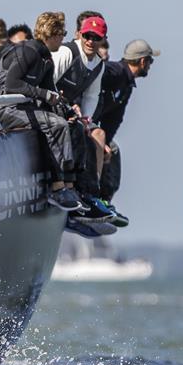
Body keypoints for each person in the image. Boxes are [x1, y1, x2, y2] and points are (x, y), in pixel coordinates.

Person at [0, 11, 85, 212]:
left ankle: (70, 186)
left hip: (22, 107)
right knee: (56, 124)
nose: (63, 38)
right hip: (3, 108)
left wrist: (66, 109)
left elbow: (50, 91)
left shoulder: (46, 59)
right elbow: (12, 84)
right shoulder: (29, 51)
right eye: (62, 33)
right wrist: (44, 95)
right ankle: (57, 188)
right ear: (52, 34)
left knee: (69, 123)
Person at [51, 15, 118, 226]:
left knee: (98, 134)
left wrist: (89, 122)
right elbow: (47, 82)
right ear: (80, 34)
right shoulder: (67, 53)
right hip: (50, 106)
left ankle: (92, 195)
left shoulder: (98, 65)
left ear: (102, 39)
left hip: (70, 111)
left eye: (95, 38)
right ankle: (71, 189)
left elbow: (91, 96)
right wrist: (68, 109)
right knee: (76, 130)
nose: (90, 41)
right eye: (87, 36)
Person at [94, 39, 160, 226]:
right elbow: (92, 76)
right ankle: (92, 199)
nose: (150, 66)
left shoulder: (127, 84)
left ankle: (104, 201)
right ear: (142, 61)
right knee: (109, 149)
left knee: (111, 149)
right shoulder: (115, 71)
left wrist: (106, 142)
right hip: (84, 121)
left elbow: (114, 119)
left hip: (97, 129)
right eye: (150, 61)